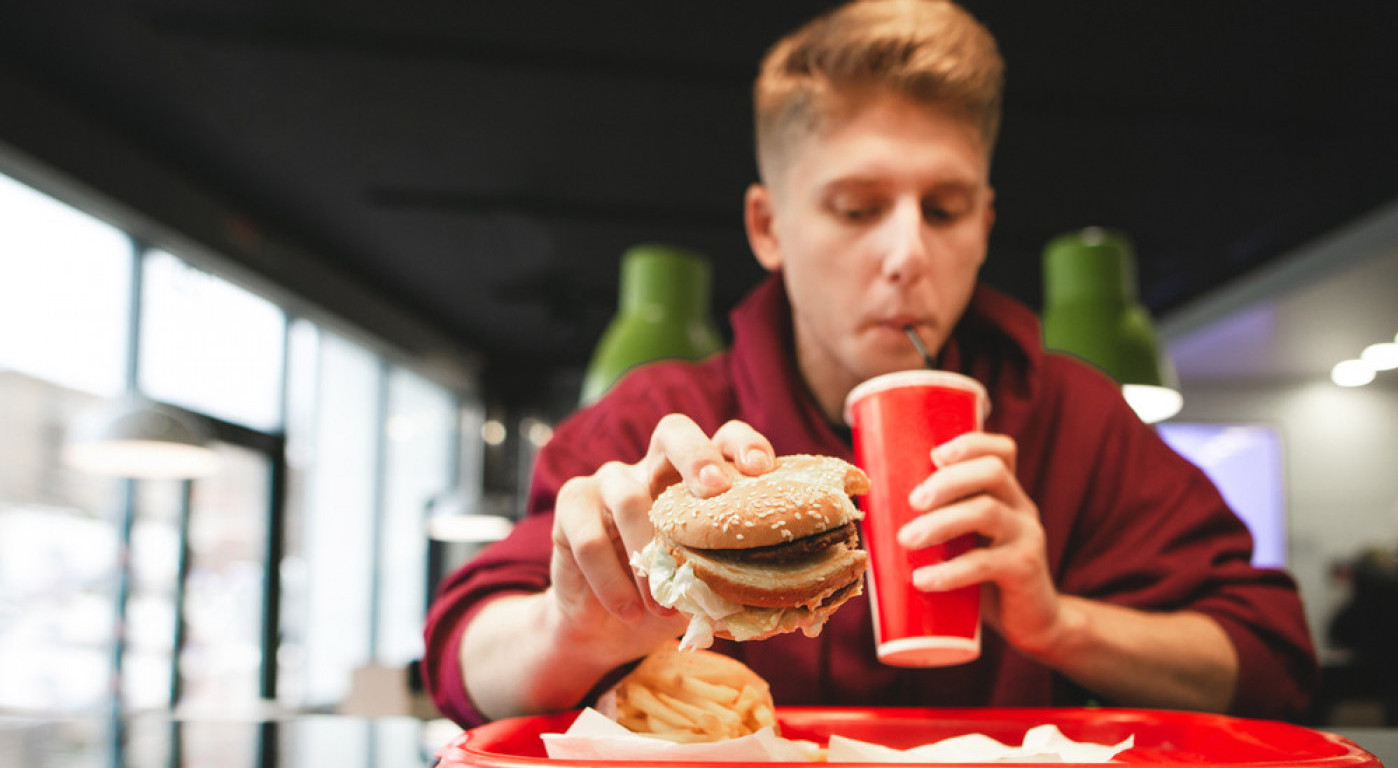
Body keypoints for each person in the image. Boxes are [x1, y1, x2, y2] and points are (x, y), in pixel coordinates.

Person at [422, 0, 1316, 731]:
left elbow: (1271, 665)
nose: (908, 255)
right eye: (856, 209)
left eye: (945, 209)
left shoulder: (1072, 415)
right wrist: (572, 628)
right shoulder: (660, 419)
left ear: (985, 226)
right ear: (769, 227)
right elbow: (461, 655)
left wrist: (1059, 622)